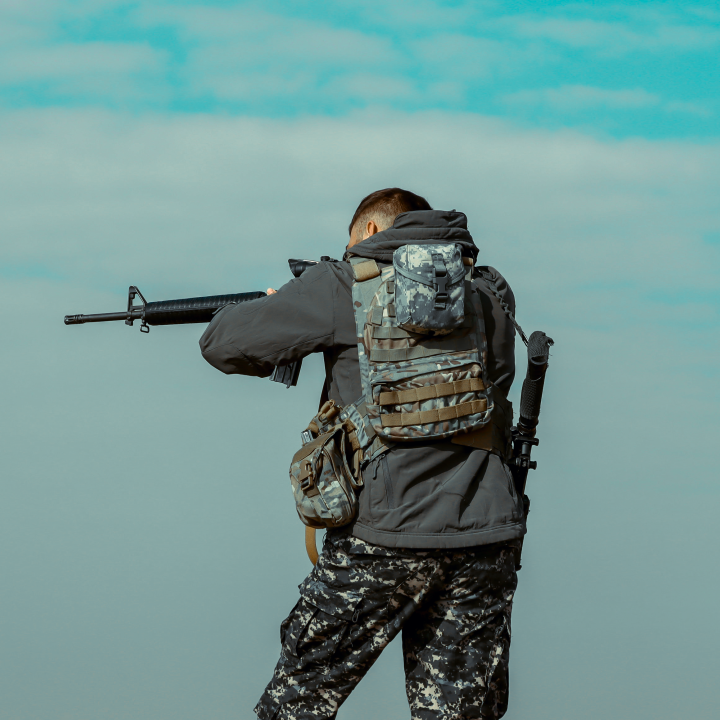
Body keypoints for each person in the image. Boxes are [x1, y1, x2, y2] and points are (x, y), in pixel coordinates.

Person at [199, 188, 526, 719]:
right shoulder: (488, 294)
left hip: (381, 536)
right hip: (485, 538)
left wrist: (282, 299)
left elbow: (223, 342)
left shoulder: (341, 284)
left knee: (296, 704)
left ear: (372, 233)